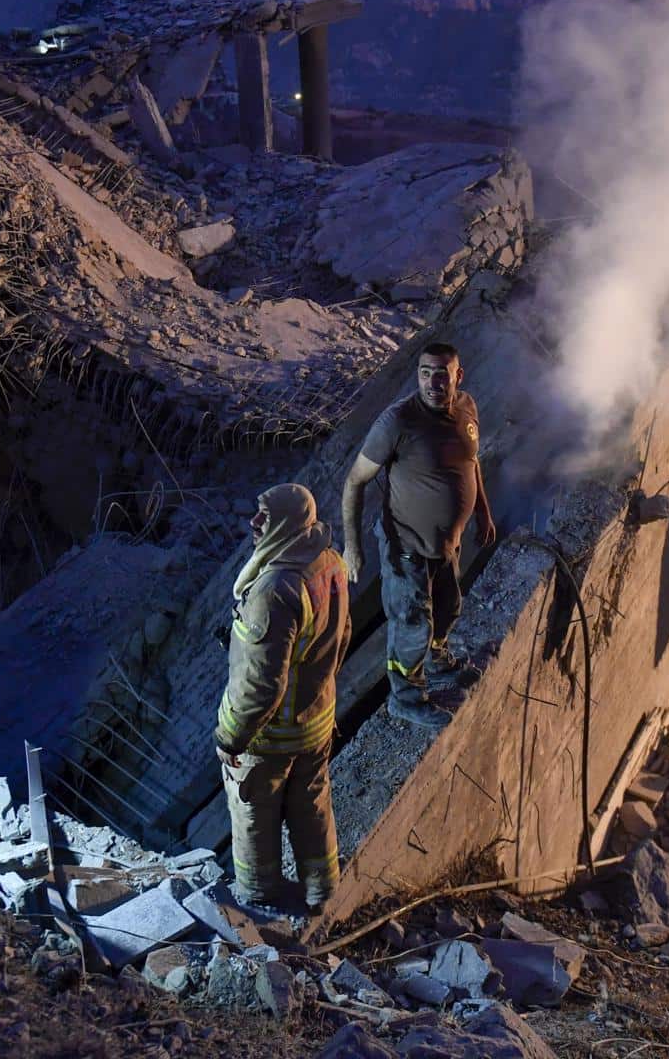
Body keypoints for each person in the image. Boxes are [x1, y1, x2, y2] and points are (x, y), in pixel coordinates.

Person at [341, 342, 497, 730]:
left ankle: (437, 661)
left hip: (447, 544)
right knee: (411, 625)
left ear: (458, 376)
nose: (433, 382)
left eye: (442, 373)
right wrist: (352, 547)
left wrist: (483, 512)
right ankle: (405, 698)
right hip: (406, 546)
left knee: (448, 609)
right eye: (425, 373)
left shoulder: (466, 409)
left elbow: (471, 462)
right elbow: (355, 481)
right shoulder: (397, 423)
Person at [214, 484, 350, 913]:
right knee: (312, 811)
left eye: (265, 517)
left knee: (254, 813)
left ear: (289, 523)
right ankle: (323, 895)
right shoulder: (328, 561)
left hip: (270, 737)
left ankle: (260, 901)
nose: (254, 523)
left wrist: (231, 737)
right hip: (316, 720)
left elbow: (260, 684)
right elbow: (337, 639)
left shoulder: (274, 590)